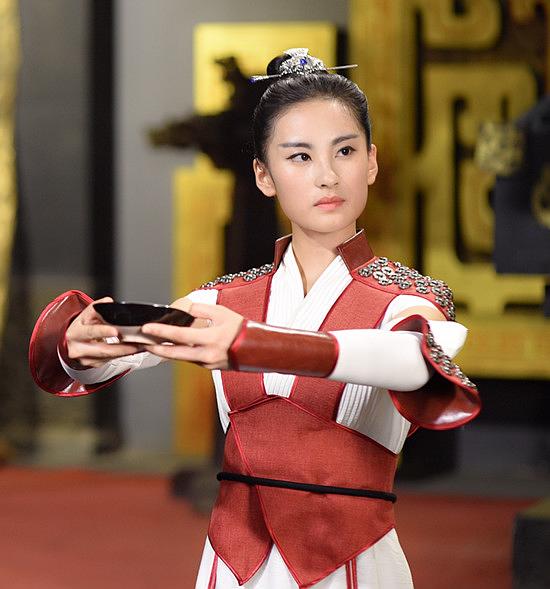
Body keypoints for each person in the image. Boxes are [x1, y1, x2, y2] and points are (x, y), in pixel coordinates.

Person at [29, 48, 480, 589]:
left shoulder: (408, 298)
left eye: (345, 151)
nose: (327, 176)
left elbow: (415, 361)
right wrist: (84, 347)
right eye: (300, 157)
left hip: (355, 565)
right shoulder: (226, 298)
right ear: (264, 175)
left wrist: (249, 344)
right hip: (231, 564)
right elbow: (122, 353)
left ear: (372, 162)